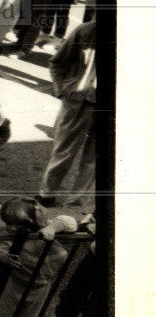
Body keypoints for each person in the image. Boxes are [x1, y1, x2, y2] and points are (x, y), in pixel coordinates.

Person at [0, 198, 78, 317]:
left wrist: (52, 228)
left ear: (35, 220)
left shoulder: (44, 228)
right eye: (8, 223)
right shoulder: (10, 237)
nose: (12, 228)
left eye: (19, 224)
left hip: (40, 286)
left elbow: (70, 222)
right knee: (3, 316)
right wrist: (2, 258)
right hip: (15, 283)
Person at [37, 20, 97, 209]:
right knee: (63, 152)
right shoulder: (84, 31)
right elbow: (57, 63)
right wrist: (62, 90)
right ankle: (47, 195)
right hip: (76, 101)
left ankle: (76, 203)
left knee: (93, 160)